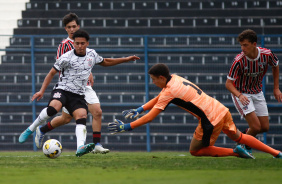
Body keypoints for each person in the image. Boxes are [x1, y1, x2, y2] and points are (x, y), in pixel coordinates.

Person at [108, 63, 282, 159]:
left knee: (195, 150)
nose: (153, 83)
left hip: (209, 119)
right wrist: (139, 109)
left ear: (162, 78)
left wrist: (127, 127)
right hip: (220, 109)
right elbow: (158, 98)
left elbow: (150, 118)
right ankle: (276, 153)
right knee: (239, 136)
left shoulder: (170, 91)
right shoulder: (174, 79)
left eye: (154, 80)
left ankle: (235, 152)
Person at [19, 29, 140, 157]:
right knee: (54, 108)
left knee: (81, 115)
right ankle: (31, 129)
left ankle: (80, 147)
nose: (80, 46)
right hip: (63, 89)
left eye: (82, 43)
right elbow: (51, 73)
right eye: (77, 43)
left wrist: (126, 59)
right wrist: (41, 91)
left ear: (87, 43)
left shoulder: (92, 55)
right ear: (74, 44)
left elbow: (106, 62)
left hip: (78, 94)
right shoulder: (66, 57)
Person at [38, 13, 108, 154]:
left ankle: (96, 144)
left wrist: (89, 73)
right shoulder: (64, 45)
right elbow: (61, 65)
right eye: (69, 27)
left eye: (74, 26)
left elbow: (86, 61)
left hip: (84, 86)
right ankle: (42, 129)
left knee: (97, 112)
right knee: (65, 118)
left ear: (78, 26)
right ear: (66, 29)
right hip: (70, 86)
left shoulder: (81, 41)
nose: (72, 29)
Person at [225, 29, 282, 154]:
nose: (242, 48)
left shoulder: (267, 54)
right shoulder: (239, 61)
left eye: (245, 45)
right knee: (256, 127)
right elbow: (228, 84)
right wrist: (239, 95)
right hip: (241, 93)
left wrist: (276, 88)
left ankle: (244, 138)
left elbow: (275, 65)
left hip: (257, 92)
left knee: (264, 127)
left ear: (254, 44)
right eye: (241, 45)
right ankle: (241, 147)